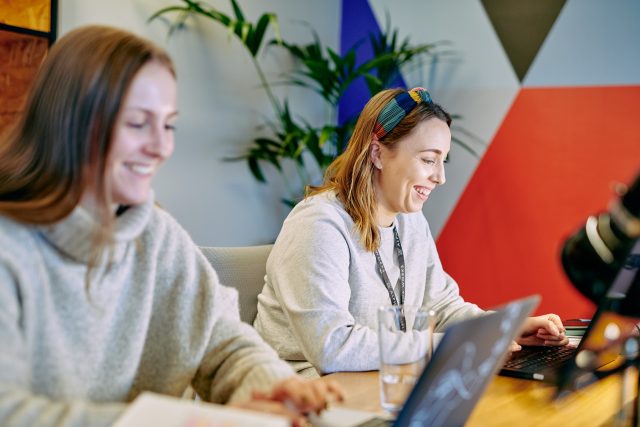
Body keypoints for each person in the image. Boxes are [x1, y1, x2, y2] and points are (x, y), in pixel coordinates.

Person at [0, 25, 342, 427]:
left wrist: (274, 387)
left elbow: (224, 344)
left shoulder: (155, 234)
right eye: (137, 123)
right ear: (72, 122)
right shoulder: (12, 248)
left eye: (168, 125)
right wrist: (182, 422)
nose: (161, 147)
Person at [254, 87, 568, 377]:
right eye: (429, 159)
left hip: (378, 382)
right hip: (302, 396)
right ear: (377, 154)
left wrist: (499, 330)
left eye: (442, 161)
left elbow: (443, 308)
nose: (440, 177)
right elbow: (332, 348)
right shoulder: (318, 224)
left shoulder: (410, 222)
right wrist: (447, 346)